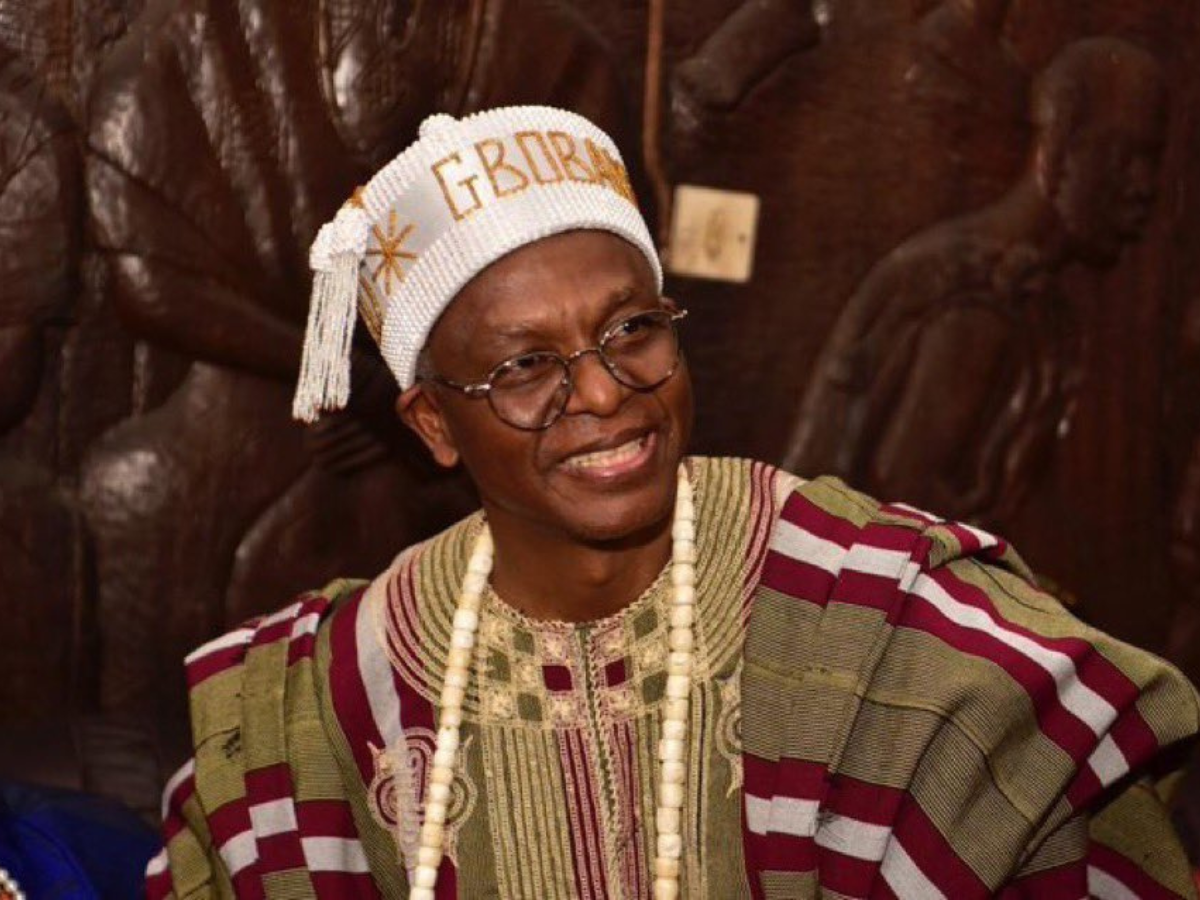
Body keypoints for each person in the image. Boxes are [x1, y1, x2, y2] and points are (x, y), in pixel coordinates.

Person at [146, 106, 1199, 899]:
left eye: (632, 329)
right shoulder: (329, 695)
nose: (605, 393)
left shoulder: (883, 614)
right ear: (431, 424)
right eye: (525, 367)